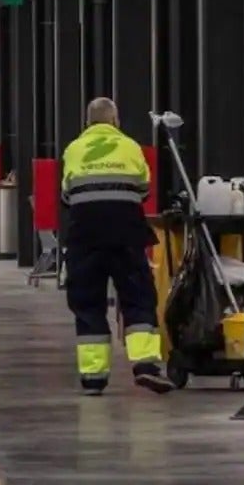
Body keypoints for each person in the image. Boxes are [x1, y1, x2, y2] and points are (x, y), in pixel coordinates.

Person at [61, 97, 174, 395]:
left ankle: (93, 378)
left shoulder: (73, 149)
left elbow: (67, 194)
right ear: (116, 121)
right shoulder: (131, 147)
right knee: (138, 297)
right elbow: (143, 188)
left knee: (88, 303)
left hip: (85, 236)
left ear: (87, 123)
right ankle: (145, 366)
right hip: (126, 233)